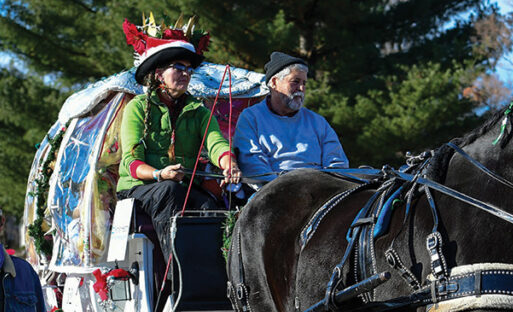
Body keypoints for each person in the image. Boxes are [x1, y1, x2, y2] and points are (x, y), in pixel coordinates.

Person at [116, 17, 241, 246]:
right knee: (169, 190)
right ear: (159, 73)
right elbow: (131, 162)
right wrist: (159, 174)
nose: (186, 73)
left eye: (189, 69)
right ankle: (176, 274)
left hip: (178, 188)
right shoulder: (137, 107)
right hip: (139, 189)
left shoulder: (199, 111)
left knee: (210, 207)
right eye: (179, 67)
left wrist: (228, 163)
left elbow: (216, 143)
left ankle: (214, 276)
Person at [232, 52, 349, 183]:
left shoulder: (317, 122)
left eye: (304, 83)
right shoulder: (251, 118)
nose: (301, 88)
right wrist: (283, 190)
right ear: (275, 82)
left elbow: (337, 163)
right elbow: (253, 164)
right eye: (295, 82)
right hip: (271, 193)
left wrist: (325, 188)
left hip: (318, 192)